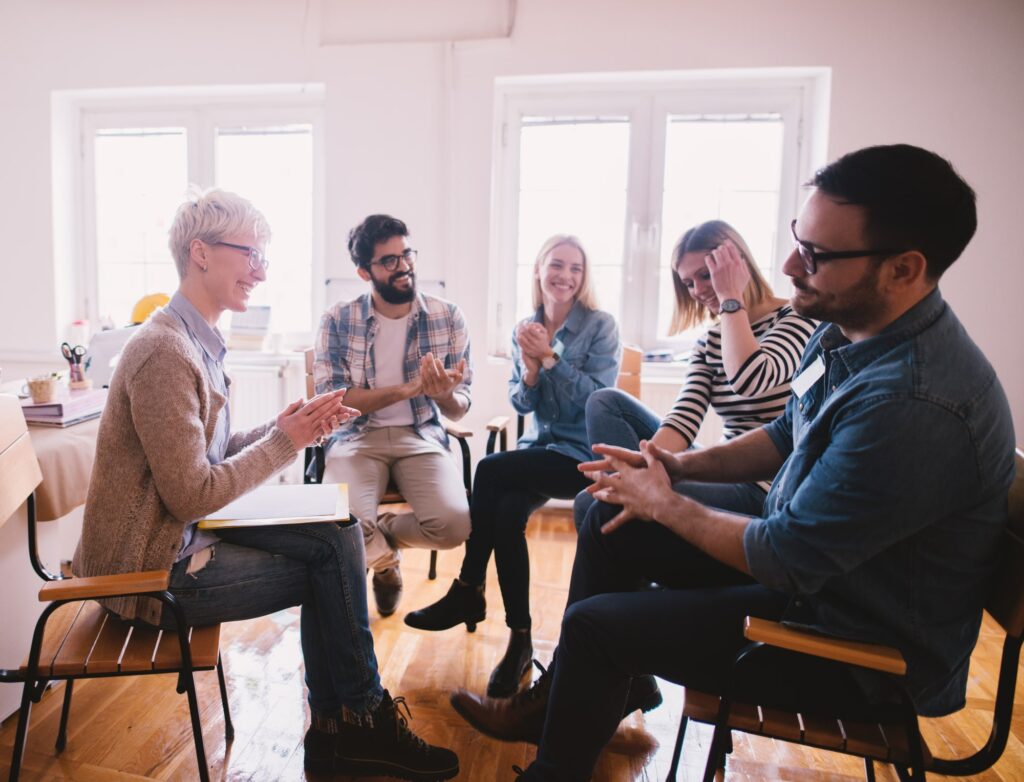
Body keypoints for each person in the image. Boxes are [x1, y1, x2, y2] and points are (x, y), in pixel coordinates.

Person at [450, 144, 1017, 781]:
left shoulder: (914, 403)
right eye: (799, 239)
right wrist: (678, 471)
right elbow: (780, 433)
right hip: (819, 579)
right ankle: (563, 704)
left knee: (591, 625)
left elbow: (786, 557)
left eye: (818, 255)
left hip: (858, 649)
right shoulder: (847, 331)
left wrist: (665, 500)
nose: (789, 263)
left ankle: (559, 750)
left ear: (903, 270)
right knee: (609, 512)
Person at [73, 189, 458, 781]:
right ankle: (357, 724)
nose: (260, 270)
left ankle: (340, 728)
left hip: (180, 544)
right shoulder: (164, 352)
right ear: (200, 254)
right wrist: (287, 441)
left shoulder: (191, 338)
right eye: (250, 253)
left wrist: (284, 428)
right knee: (332, 560)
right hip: (149, 575)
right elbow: (191, 494)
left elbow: (205, 456)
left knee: (336, 537)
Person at [404, 235, 624, 699]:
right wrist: (529, 368)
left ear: (584, 279)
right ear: (539, 270)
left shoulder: (601, 326)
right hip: (540, 448)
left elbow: (596, 401)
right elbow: (521, 400)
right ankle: (520, 641)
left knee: (490, 470)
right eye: (557, 265)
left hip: (585, 454)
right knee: (504, 513)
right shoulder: (526, 326)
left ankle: (467, 586)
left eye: (576, 269)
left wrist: (550, 357)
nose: (565, 276)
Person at [576, 220, 817, 530]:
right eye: (689, 283)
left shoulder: (795, 318)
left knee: (594, 504)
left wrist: (731, 298)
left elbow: (751, 378)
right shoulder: (710, 340)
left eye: (706, 275)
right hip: (720, 468)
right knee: (606, 403)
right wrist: (646, 467)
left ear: (737, 265)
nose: (699, 291)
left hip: (765, 487)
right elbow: (683, 420)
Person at [315, 214, 472, 618]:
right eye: (389, 261)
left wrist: (444, 396)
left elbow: (460, 405)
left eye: (406, 255)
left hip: (420, 435)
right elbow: (335, 399)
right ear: (364, 271)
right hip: (355, 438)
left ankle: (378, 534)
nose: (403, 267)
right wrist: (408, 388)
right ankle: (385, 563)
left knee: (456, 526)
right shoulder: (338, 319)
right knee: (341, 526)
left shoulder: (447, 316)